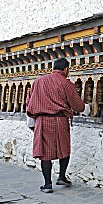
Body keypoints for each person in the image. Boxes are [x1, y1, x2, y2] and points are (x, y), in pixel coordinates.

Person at [26, 58, 85, 193]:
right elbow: (78, 106)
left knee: (45, 153)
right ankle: (62, 176)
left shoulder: (37, 82)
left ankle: (47, 184)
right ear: (66, 69)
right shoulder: (66, 83)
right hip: (60, 120)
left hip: (42, 121)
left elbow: (29, 103)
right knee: (64, 148)